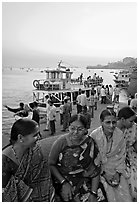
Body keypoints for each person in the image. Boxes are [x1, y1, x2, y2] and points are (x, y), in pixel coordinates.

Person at [48, 114, 101, 202]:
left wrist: (94, 192)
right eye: (72, 128)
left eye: (80, 129)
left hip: (85, 181)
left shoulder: (90, 143)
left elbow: (96, 169)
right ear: (68, 127)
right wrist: (63, 183)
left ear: (85, 129)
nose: (75, 132)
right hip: (64, 181)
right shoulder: (61, 143)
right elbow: (51, 164)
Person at [2, 119, 54, 202]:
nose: (40, 138)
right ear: (20, 137)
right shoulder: (4, 161)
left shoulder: (35, 151)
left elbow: (43, 177)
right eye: (35, 135)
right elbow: (5, 194)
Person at [90, 109, 132, 202]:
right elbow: (92, 159)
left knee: (124, 194)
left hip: (117, 167)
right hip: (99, 170)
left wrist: (118, 172)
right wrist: (104, 174)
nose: (111, 125)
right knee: (108, 193)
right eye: (108, 122)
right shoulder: (94, 135)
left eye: (114, 122)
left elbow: (122, 154)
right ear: (101, 122)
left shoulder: (119, 134)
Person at [117, 106, 137, 201]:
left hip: (131, 158)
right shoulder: (112, 129)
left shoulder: (133, 129)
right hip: (116, 161)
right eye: (131, 121)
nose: (133, 123)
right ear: (122, 119)